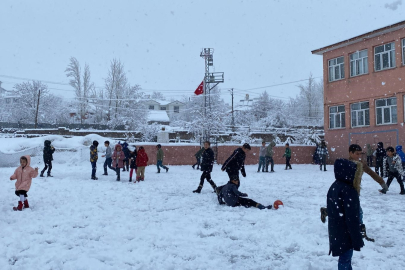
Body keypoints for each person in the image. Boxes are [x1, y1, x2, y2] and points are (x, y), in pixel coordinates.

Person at [326, 158, 364, 269]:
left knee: (345, 259)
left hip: (337, 230)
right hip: (346, 232)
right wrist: (357, 238)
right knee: (345, 259)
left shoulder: (335, 186)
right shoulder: (349, 190)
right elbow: (352, 218)